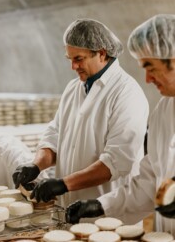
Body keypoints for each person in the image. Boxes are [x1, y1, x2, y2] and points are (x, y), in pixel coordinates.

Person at [12, 18, 149, 208]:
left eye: (79, 59)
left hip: (107, 210)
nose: (73, 66)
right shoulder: (73, 88)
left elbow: (117, 161)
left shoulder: (127, 93)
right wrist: (36, 165)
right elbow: (55, 135)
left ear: (101, 53)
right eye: (70, 59)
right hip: (68, 207)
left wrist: (63, 184)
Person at [65, 14, 175, 235]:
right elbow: (148, 182)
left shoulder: (127, 93)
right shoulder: (163, 112)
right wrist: (102, 205)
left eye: (150, 67)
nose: (147, 79)